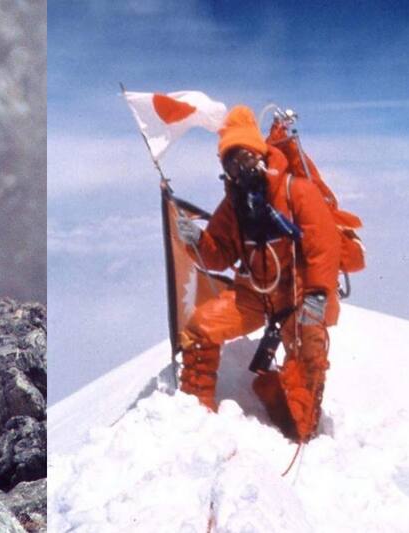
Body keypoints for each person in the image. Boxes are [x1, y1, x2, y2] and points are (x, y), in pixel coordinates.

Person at [175, 105, 341, 443]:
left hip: (298, 299)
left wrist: (317, 297)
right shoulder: (233, 207)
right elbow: (220, 254)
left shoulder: (297, 192)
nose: (240, 167)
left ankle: (301, 422)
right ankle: (193, 409)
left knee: (309, 357)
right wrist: (197, 242)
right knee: (200, 328)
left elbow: (323, 249)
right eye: (231, 161)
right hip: (253, 298)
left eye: (245, 156)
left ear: (261, 152)